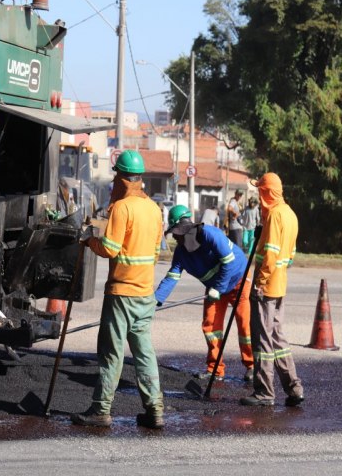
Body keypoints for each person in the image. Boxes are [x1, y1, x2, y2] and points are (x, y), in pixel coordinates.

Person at [71, 150, 165, 429]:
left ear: (122, 178)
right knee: (144, 353)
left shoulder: (123, 208)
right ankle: (155, 410)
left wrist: (89, 240)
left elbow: (110, 249)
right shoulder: (154, 209)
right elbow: (157, 252)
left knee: (111, 352)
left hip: (121, 294)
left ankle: (101, 410)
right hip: (145, 293)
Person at [155, 205, 254, 383]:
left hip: (238, 279)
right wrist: (155, 300)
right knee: (210, 326)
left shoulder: (211, 235)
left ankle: (252, 366)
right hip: (216, 286)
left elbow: (230, 264)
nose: (176, 237)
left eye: (177, 233)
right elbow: (172, 277)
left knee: (244, 324)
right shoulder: (181, 253)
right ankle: (215, 369)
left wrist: (219, 287)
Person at [240, 172, 304, 407]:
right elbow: (291, 255)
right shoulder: (290, 214)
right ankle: (294, 388)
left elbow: (270, 254)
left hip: (266, 288)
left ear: (266, 192)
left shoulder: (276, 215)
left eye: (260, 190)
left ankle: (264, 392)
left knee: (263, 340)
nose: (258, 194)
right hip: (280, 285)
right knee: (277, 337)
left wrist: (260, 282)